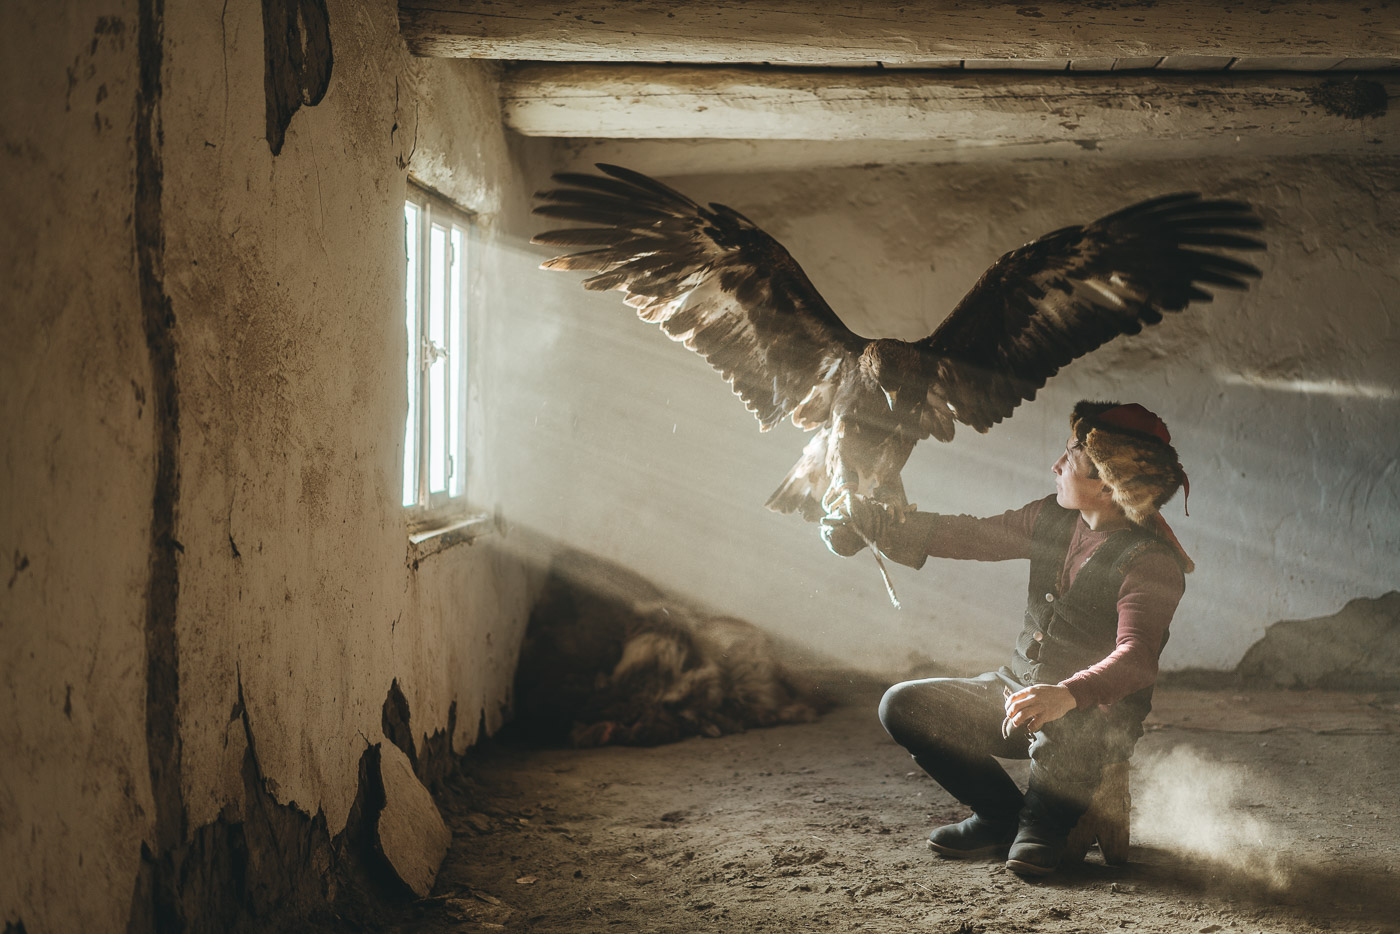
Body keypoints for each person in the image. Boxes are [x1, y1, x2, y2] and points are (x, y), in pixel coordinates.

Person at [820, 401, 1193, 877]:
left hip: (1088, 718)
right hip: (1016, 693)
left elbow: (1136, 658)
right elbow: (973, 536)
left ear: (1106, 482)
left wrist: (1067, 695)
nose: (1055, 466)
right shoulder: (1051, 518)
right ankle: (999, 816)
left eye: (1069, 458)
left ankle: (1041, 824)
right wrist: (879, 524)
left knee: (1030, 857)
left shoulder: (1150, 561)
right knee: (901, 705)